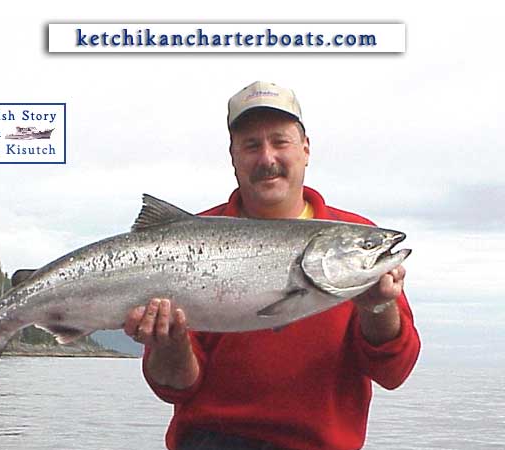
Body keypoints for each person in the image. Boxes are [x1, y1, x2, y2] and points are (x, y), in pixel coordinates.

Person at [127, 80, 421, 450]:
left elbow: (393, 372)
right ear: (233, 156)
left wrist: (377, 306)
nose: (267, 158)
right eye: (251, 145)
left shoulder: (356, 238)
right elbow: (175, 387)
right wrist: (170, 344)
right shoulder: (185, 244)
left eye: (280, 141)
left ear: (305, 149)